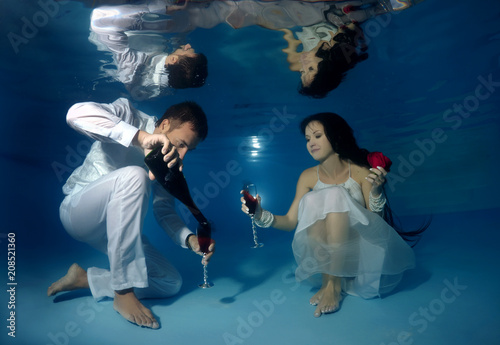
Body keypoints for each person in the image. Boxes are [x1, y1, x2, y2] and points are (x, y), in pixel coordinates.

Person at [47, 97, 214, 329]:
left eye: (189, 149)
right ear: (164, 125)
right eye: (180, 144)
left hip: (113, 233)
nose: (182, 155)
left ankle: (85, 279)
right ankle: (123, 291)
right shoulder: (128, 114)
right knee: (135, 175)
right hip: (77, 214)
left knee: (170, 282)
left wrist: (190, 239)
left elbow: (164, 211)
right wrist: (142, 138)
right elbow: (75, 114)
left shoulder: (170, 162)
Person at [241, 112, 427, 317]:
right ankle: (331, 281)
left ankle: (334, 285)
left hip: (362, 253)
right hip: (327, 259)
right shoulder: (307, 176)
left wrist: (376, 192)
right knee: (313, 200)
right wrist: (260, 214)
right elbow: (291, 221)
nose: (311, 143)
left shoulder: (360, 171)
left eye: (317, 136)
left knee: (334, 194)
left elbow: (377, 223)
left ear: (336, 137)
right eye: (307, 139)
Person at [90, 3, 208, 100]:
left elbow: (100, 18)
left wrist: (164, 9)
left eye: (187, 50)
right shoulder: (163, 88)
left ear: (173, 60)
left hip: (109, 36)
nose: (188, 45)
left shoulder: (132, 65)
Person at [280, 22, 368, 99]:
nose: (303, 65)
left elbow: (284, 30)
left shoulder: (293, 59)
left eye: (302, 72)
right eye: (310, 68)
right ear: (328, 62)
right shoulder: (337, 40)